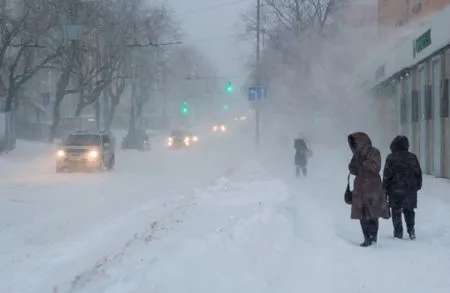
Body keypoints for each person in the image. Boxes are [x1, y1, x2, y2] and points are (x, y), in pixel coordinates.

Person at [348, 132, 390, 247]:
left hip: (372, 187)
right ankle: (367, 238)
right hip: (360, 187)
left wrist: (362, 161)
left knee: (373, 214)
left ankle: (373, 237)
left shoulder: (374, 152)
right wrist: (354, 164)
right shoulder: (356, 155)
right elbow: (353, 170)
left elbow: (376, 167)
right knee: (362, 214)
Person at [382, 135, 422, 240]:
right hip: (410, 189)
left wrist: (384, 188)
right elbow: (418, 173)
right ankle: (411, 230)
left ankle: (398, 232)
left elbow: (387, 175)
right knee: (409, 210)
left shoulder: (391, 158)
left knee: (396, 211)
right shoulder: (412, 157)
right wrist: (418, 185)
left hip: (395, 190)